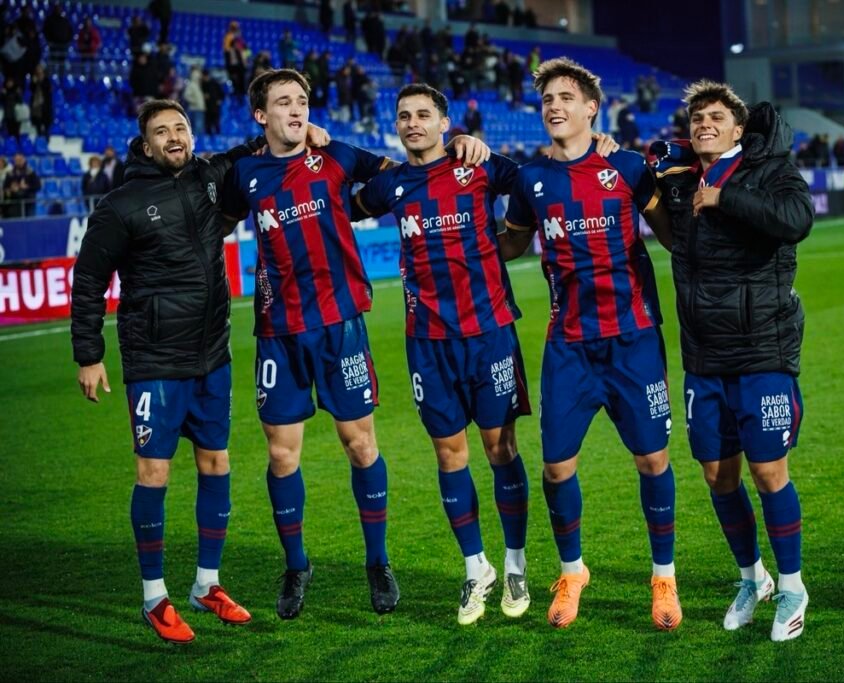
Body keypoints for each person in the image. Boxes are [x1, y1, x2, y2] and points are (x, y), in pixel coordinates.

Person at [220, 69, 489, 621]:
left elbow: (410, 170)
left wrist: (461, 142)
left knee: (359, 445)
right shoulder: (244, 172)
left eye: (302, 102)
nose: (295, 111)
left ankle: (378, 561)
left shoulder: (340, 155)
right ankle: (296, 565)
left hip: (341, 322)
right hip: (278, 331)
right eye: (282, 103)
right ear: (259, 115)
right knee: (280, 453)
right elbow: (215, 211)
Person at [70, 100, 261, 645]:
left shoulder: (208, 177)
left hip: (212, 354)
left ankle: (207, 584)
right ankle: (154, 596)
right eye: (163, 132)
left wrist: (307, 128)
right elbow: (89, 280)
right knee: (154, 474)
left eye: (181, 128)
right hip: (154, 360)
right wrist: (89, 354)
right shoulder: (121, 204)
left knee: (216, 461)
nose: (175, 137)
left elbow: (254, 147)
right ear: (145, 144)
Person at [500, 58, 681, 631]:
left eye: (565, 98)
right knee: (556, 467)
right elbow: (511, 246)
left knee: (652, 459)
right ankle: (572, 571)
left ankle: (663, 576)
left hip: (633, 340)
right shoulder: (531, 180)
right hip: (569, 345)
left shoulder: (626, 167)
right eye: (547, 98)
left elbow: (677, 239)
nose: (555, 106)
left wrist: (682, 187)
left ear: (591, 108)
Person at [350, 83, 532, 625]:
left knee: (501, 449)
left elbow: (542, 185)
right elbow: (341, 201)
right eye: (404, 115)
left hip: (490, 331)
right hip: (427, 341)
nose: (412, 123)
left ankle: (516, 562)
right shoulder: (391, 185)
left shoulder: (479, 167)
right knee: (450, 455)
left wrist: (477, 144)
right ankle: (476, 569)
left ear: (444, 121)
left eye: (423, 115)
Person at [650, 79, 813, 642]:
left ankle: (792, 585)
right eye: (697, 119)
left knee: (769, 472)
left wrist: (727, 198)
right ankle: (754, 578)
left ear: (739, 129)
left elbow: (797, 220)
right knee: (719, 477)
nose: (705, 125)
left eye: (716, 117)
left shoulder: (770, 170)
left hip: (762, 348)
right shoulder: (679, 179)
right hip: (704, 356)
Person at [3, 152, 41, 218]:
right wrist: (11, 189)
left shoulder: (31, 172)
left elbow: (38, 186)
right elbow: (5, 188)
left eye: (20, 160)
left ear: (24, 160)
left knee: (30, 222)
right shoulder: (10, 174)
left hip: (29, 202)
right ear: (14, 161)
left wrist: (27, 187)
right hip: (15, 204)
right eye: (17, 160)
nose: (19, 162)